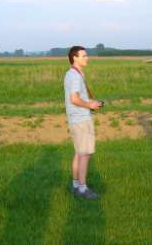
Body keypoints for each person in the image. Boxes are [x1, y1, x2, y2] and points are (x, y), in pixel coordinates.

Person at [64, 46, 102, 199]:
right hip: (81, 119)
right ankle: (82, 189)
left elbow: (77, 97)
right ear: (75, 58)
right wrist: (90, 105)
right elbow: (74, 99)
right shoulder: (74, 76)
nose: (87, 58)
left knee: (79, 153)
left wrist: (90, 102)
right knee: (85, 154)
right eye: (84, 56)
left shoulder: (73, 74)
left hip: (76, 118)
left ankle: (75, 184)